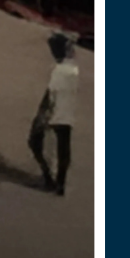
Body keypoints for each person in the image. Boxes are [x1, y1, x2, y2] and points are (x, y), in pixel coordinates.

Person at [28, 33, 79, 195]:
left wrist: (42, 116)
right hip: (67, 115)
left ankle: (49, 179)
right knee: (63, 149)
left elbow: (51, 95)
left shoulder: (61, 71)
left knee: (36, 143)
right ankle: (60, 184)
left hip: (54, 114)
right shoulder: (72, 69)